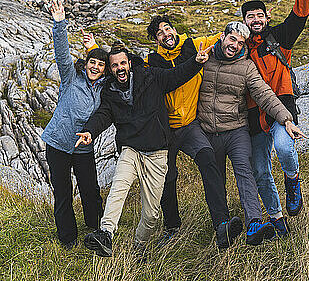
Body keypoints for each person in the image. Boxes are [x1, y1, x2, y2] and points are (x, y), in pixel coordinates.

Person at [76, 40, 233, 258]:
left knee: (151, 214)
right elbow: (103, 115)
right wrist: (89, 132)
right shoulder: (109, 92)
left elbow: (176, 75)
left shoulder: (151, 77)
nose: (120, 68)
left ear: (129, 63)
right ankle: (105, 234)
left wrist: (196, 62)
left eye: (123, 63)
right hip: (130, 150)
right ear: (111, 70)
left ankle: (139, 245)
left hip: (158, 153)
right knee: (118, 189)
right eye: (114, 65)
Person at [196, 21, 306, 244]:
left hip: (236, 130)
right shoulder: (204, 59)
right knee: (215, 180)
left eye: (240, 42)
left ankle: (254, 223)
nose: (235, 45)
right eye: (232, 39)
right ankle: (223, 227)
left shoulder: (246, 67)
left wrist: (286, 119)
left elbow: (264, 95)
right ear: (223, 37)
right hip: (208, 131)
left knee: (246, 173)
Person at [145, 15, 243, 248]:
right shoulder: (153, 62)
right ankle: (172, 228)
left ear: (174, 29)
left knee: (208, 159)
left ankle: (222, 224)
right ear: (155, 39)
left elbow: (224, 37)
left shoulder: (193, 45)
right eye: (159, 32)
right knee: (168, 177)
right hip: (164, 130)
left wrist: (247, 25)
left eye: (167, 28)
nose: (166, 33)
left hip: (190, 125)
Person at [241, 0, 309, 237]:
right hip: (253, 117)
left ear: (267, 17)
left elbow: (300, 13)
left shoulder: (280, 36)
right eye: (250, 17)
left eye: (259, 15)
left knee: (284, 148)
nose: (255, 20)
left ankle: (293, 182)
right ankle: (277, 219)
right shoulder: (239, 48)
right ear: (244, 21)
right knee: (260, 171)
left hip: (282, 107)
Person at [41, 0, 108, 249]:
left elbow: (114, 65)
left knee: (90, 190)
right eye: (93, 62)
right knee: (63, 193)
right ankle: (68, 239)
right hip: (58, 143)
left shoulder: (104, 87)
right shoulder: (71, 77)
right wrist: (60, 24)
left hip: (83, 147)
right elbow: (61, 53)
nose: (96, 67)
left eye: (100, 65)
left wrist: (97, 47)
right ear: (86, 62)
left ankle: (96, 229)